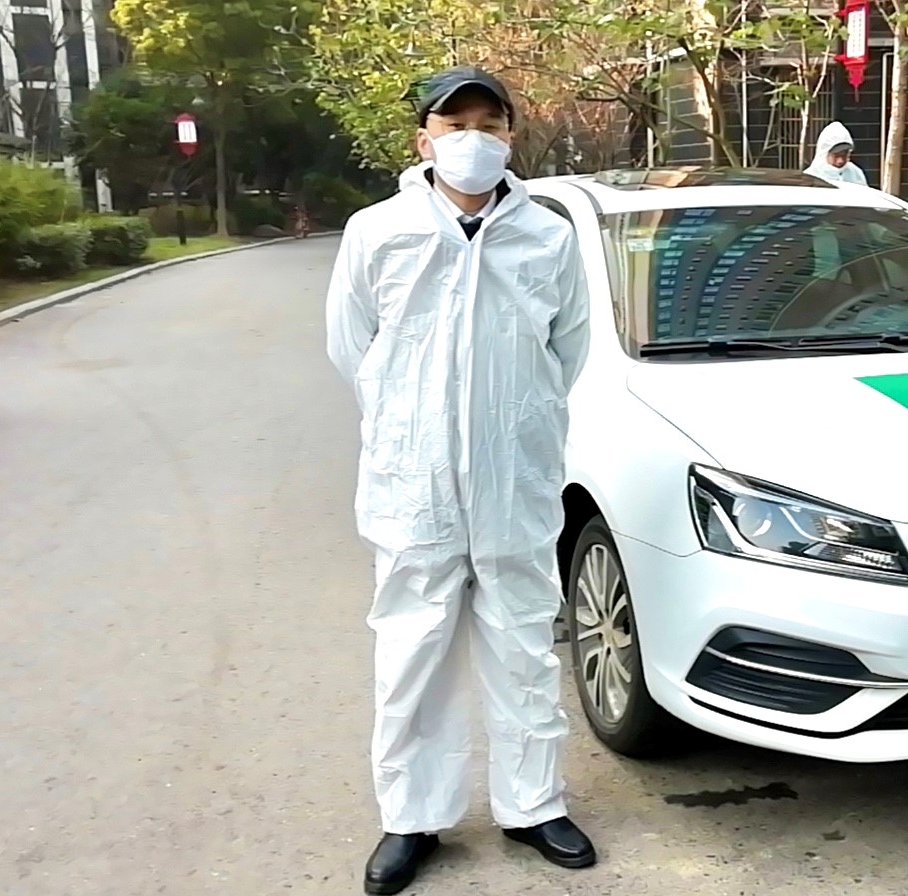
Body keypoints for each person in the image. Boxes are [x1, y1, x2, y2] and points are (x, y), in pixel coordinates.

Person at [324, 65, 594, 896]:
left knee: (523, 647)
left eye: (488, 122)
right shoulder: (378, 231)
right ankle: (411, 818)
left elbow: (570, 346)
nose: (471, 138)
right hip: (416, 485)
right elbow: (351, 346)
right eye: (453, 123)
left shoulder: (547, 235)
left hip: (513, 478)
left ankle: (533, 804)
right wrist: (409, 422)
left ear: (510, 136)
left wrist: (515, 421)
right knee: (413, 651)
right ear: (424, 138)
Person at [804, 121, 870, 187]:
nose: (840, 161)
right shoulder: (811, 176)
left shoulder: (855, 172)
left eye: (844, 155)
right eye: (836, 155)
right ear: (825, 154)